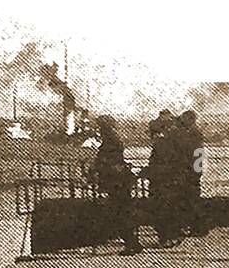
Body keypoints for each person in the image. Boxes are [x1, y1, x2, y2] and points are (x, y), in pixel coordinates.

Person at [88, 115, 141, 254]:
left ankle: (131, 244)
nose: (99, 130)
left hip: (116, 182)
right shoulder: (114, 139)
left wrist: (94, 170)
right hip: (120, 181)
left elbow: (106, 161)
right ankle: (133, 242)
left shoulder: (109, 142)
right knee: (123, 211)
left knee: (119, 212)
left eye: (100, 127)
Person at [143, 113, 179, 246]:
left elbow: (157, 165)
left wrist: (146, 172)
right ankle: (172, 236)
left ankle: (165, 238)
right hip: (171, 181)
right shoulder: (171, 142)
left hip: (161, 183)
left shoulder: (159, 144)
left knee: (161, 209)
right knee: (170, 208)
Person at [175, 109, 208, 236]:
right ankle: (196, 226)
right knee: (191, 199)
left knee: (192, 199)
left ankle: (199, 227)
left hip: (191, 171)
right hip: (190, 170)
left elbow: (198, 154)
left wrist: (196, 172)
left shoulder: (194, 134)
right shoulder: (192, 133)